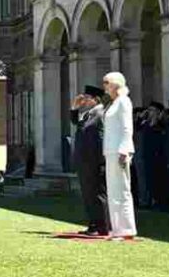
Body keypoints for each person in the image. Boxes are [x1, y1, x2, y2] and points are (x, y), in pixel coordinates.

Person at [101, 72, 137, 241]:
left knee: (122, 190)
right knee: (113, 191)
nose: (105, 87)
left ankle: (126, 229)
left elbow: (126, 128)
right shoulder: (114, 103)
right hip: (110, 150)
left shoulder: (124, 101)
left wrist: (124, 150)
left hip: (119, 150)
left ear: (115, 84)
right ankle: (117, 229)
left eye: (107, 83)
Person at [70, 85, 109, 236]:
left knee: (98, 194)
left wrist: (100, 160)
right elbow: (76, 124)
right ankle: (93, 224)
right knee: (88, 194)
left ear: (96, 99)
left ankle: (103, 226)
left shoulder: (101, 113)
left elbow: (101, 138)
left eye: (87, 98)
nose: (84, 101)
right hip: (85, 161)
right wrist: (74, 108)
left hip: (94, 161)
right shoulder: (88, 114)